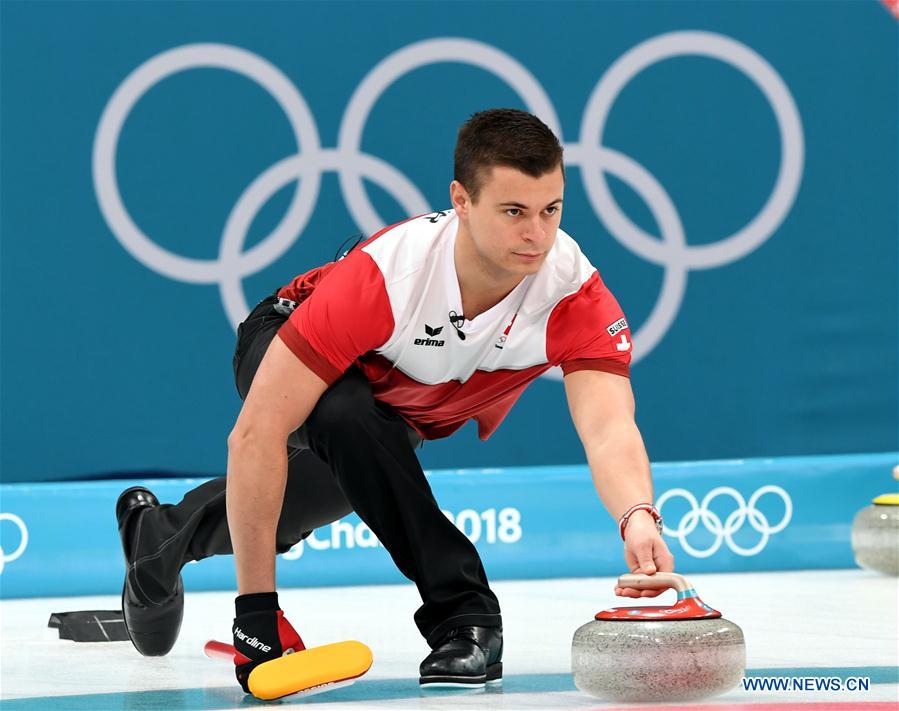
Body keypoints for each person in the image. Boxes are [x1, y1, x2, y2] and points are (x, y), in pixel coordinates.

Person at [115, 108, 674, 695]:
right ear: (461, 199)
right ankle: (465, 615)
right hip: (285, 339)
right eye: (514, 212)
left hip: (392, 409)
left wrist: (637, 515)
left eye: (551, 210)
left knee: (304, 501)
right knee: (343, 414)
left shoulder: (574, 297)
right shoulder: (388, 278)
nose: (536, 235)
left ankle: (157, 538)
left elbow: (609, 428)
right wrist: (256, 617)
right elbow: (255, 437)